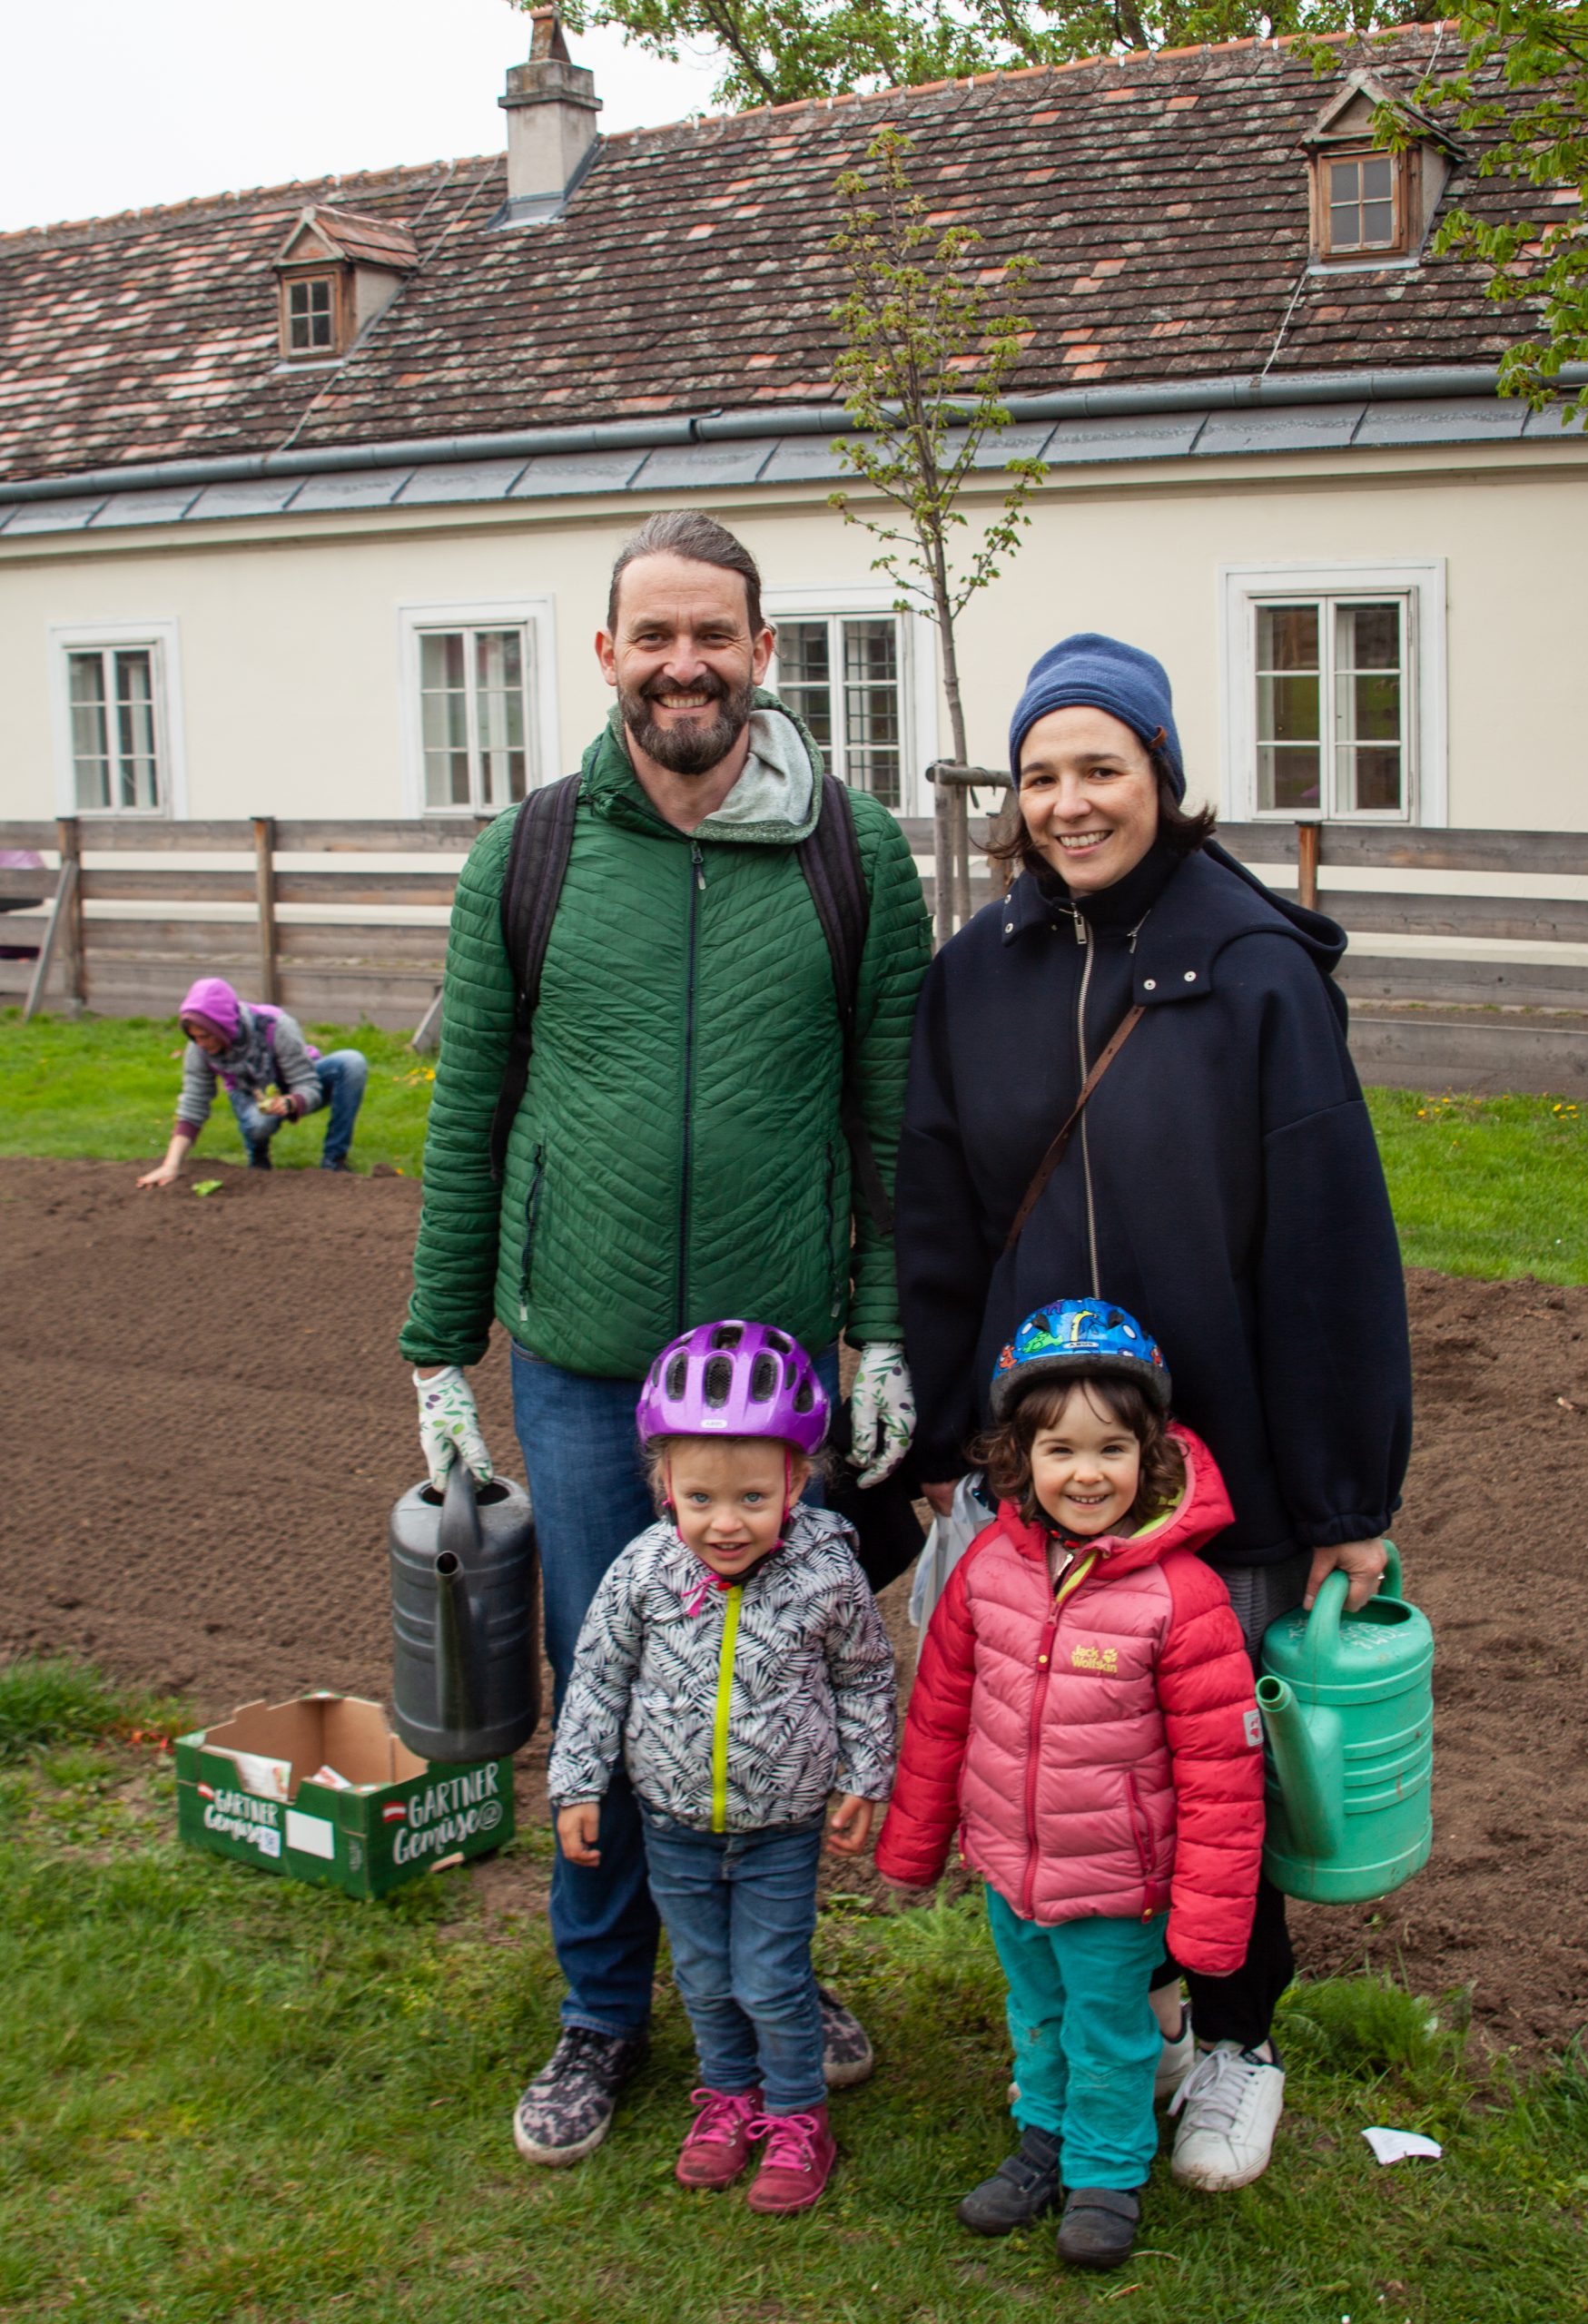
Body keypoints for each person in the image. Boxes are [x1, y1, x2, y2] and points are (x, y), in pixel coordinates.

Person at [401, 511, 931, 2165]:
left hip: (773, 1381)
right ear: (609, 655)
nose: (683, 663)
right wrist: (439, 1349)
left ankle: (768, 1985)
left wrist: (879, 1332)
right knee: (607, 1673)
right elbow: (470, 1112)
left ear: (763, 653)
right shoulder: (532, 851)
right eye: (654, 635)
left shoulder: (855, 852)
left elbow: (888, 1121)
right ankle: (600, 2011)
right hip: (583, 1357)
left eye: (714, 634)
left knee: (777, 1678)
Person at [894, 634, 1412, 2193]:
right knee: (1069, 1766)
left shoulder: (1253, 971)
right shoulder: (972, 976)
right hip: (1032, 1469)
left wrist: (1344, 1498)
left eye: (1100, 768)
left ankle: (1239, 2040)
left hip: (1215, 1473)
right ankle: (1132, 2028)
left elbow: (1329, 1244)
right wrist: (942, 1443)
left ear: (1162, 778)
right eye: (1040, 774)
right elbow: (938, 1219)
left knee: (1207, 1772)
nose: (1069, 801)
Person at [875, 1299, 1264, 2270]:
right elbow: (940, 1713)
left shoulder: (1180, 1598)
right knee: (1038, 2016)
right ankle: (1042, 2141)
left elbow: (1221, 1775)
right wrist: (914, 1842)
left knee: (1107, 2029)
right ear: (1019, 1457)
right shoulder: (987, 1571)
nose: (1086, 1473)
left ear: (1151, 1453)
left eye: (1110, 1449)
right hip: (1011, 1867)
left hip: (1115, 1883)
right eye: (1059, 1450)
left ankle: (1106, 2173)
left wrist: (1211, 1919)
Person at [549, 1323, 895, 2215]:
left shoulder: (826, 1575)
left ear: (794, 1483)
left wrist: (864, 1776)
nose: (725, 1522)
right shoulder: (644, 1570)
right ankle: (729, 2098)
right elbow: (597, 1676)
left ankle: (796, 2115)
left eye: (751, 1497)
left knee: (771, 1981)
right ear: (663, 1484)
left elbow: (864, 1676)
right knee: (704, 1980)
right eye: (699, 1496)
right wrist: (577, 1783)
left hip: (781, 1829)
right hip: (672, 1825)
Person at [135, 977, 368, 1183]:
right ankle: (258, 1157)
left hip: (292, 1081)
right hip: (249, 1093)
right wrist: (171, 1165)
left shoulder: (276, 1025)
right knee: (259, 1124)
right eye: (194, 1037)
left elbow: (307, 1084)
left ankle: (334, 1162)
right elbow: (193, 1105)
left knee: (352, 1063)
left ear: (224, 1026)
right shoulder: (198, 1050)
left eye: (205, 1036)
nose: (201, 1044)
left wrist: (292, 1102)